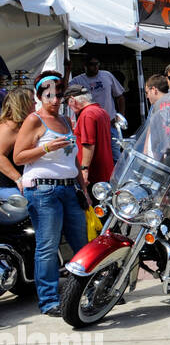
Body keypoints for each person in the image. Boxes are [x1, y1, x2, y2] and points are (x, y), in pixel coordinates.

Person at [12, 72, 88, 315]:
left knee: (81, 244)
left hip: (69, 187)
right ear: (40, 96)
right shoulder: (34, 120)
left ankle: (88, 290)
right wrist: (45, 147)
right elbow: (18, 156)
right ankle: (49, 301)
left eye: (58, 95)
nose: (55, 100)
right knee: (47, 246)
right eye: (49, 95)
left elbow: (73, 160)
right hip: (43, 190)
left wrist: (83, 188)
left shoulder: (66, 121)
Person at [69, 56, 126, 161]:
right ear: (85, 66)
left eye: (97, 64)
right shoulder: (78, 80)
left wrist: (119, 116)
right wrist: (67, 70)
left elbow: (120, 96)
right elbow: (65, 92)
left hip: (110, 123)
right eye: (92, 64)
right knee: (94, 156)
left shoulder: (107, 75)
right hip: (90, 125)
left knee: (116, 156)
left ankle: (115, 177)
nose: (95, 67)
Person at [66, 87, 114, 188]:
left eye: (68, 103)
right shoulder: (101, 111)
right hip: (105, 172)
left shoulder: (87, 114)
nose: (69, 106)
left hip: (93, 175)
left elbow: (88, 144)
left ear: (72, 100)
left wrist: (84, 169)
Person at [0, 88, 35, 192]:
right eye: (32, 100)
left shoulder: (25, 125)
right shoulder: (10, 127)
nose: (36, 103)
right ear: (23, 104)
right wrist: (18, 178)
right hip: (10, 188)